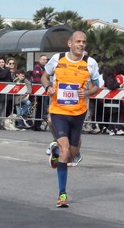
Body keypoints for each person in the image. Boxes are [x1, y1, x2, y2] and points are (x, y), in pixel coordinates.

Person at [40, 31, 99, 208]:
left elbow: (96, 86)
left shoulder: (90, 63)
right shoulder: (57, 59)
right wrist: (48, 87)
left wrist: (87, 92)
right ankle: (62, 194)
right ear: (70, 43)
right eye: (78, 42)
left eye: (84, 42)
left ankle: (55, 152)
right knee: (66, 150)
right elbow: (44, 76)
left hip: (79, 112)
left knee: (71, 155)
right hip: (59, 110)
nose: (81, 45)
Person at [31, 55, 48, 131]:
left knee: (42, 108)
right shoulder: (37, 67)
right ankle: (36, 125)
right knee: (39, 108)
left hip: (43, 90)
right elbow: (37, 79)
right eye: (43, 59)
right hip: (39, 90)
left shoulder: (44, 68)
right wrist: (44, 84)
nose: (45, 61)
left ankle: (38, 124)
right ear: (39, 60)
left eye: (46, 60)